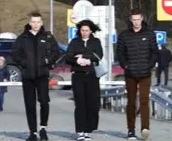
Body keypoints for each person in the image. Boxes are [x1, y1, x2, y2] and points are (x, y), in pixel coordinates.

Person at [12, 12, 60, 141]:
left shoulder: (48, 37)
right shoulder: (23, 38)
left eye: (38, 22)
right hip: (28, 76)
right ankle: (32, 132)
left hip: (42, 75)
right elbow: (15, 54)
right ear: (29, 23)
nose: (36, 24)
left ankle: (43, 128)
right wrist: (24, 63)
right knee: (30, 104)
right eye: (33, 22)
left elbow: (56, 52)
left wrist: (47, 61)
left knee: (44, 102)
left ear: (42, 22)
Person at [116, 9, 158, 140]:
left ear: (142, 19)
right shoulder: (124, 35)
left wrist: (149, 65)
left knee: (144, 100)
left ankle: (145, 128)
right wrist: (125, 65)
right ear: (130, 20)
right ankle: (131, 129)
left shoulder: (150, 34)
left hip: (145, 72)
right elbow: (120, 52)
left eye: (138, 19)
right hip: (130, 73)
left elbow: (155, 52)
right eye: (134, 19)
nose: (136, 22)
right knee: (131, 102)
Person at [66, 20, 103, 141]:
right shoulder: (75, 42)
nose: (84, 33)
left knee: (92, 103)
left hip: (92, 75)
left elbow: (99, 55)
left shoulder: (95, 41)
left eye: (87, 30)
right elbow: (68, 56)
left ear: (91, 30)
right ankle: (80, 130)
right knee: (80, 103)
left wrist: (84, 56)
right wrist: (77, 60)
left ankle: (89, 130)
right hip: (78, 75)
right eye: (82, 30)